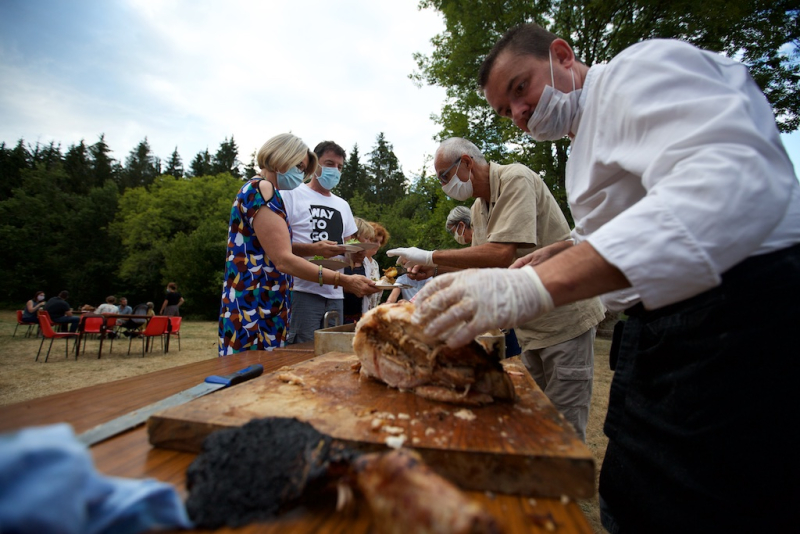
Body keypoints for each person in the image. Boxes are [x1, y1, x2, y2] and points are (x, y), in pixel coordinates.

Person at [412, 23, 800, 532]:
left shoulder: (638, 72)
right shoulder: (581, 148)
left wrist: (529, 286)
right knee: (631, 495)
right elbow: (629, 219)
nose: (519, 113)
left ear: (562, 55)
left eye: (520, 88)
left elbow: (726, 184)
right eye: (506, 111)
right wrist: (558, 251)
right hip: (657, 332)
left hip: (735, 318)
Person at [388, 138, 605, 441]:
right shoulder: (479, 207)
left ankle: (566, 488)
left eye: (444, 176)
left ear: (466, 163)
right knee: (534, 422)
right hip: (530, 325)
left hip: (564, 318)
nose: (442, 186)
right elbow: (483, 268)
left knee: (563, 431)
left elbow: (501, 253)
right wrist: (434, 269)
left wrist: (430, 255)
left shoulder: (514, 178)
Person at [218, 134, 377, 356]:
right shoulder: (262, 189)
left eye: (302, 169)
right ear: (280, 158)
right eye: (298, 166)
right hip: (256, 302)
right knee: (257, 371)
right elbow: (284, 259)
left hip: (264, 299)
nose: (299, 174)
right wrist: (343, 280)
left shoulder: (261, 190)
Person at [281, 141, 360, 343]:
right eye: (329, 164)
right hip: (301, 289)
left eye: (340, 167)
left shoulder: (343, 205)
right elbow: (277, 247)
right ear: (315, 164)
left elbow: (349, 248)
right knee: (300, 351)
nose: (335, 171)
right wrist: (313, 249)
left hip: (335, 292)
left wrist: (357, 254)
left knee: (333, 351)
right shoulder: (291, 194)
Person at [342, 218, 375, 324]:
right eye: (366, 238)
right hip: (340, 316)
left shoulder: (366, 262)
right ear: (353, 237)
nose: (369, 243)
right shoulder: (339, 260)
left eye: (370, 239)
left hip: (359, 317)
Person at [365, 222, 391, 310]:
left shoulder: (374, 263)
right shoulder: (357, 261)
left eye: (380, 242)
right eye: (375, 240)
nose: (378, 245)